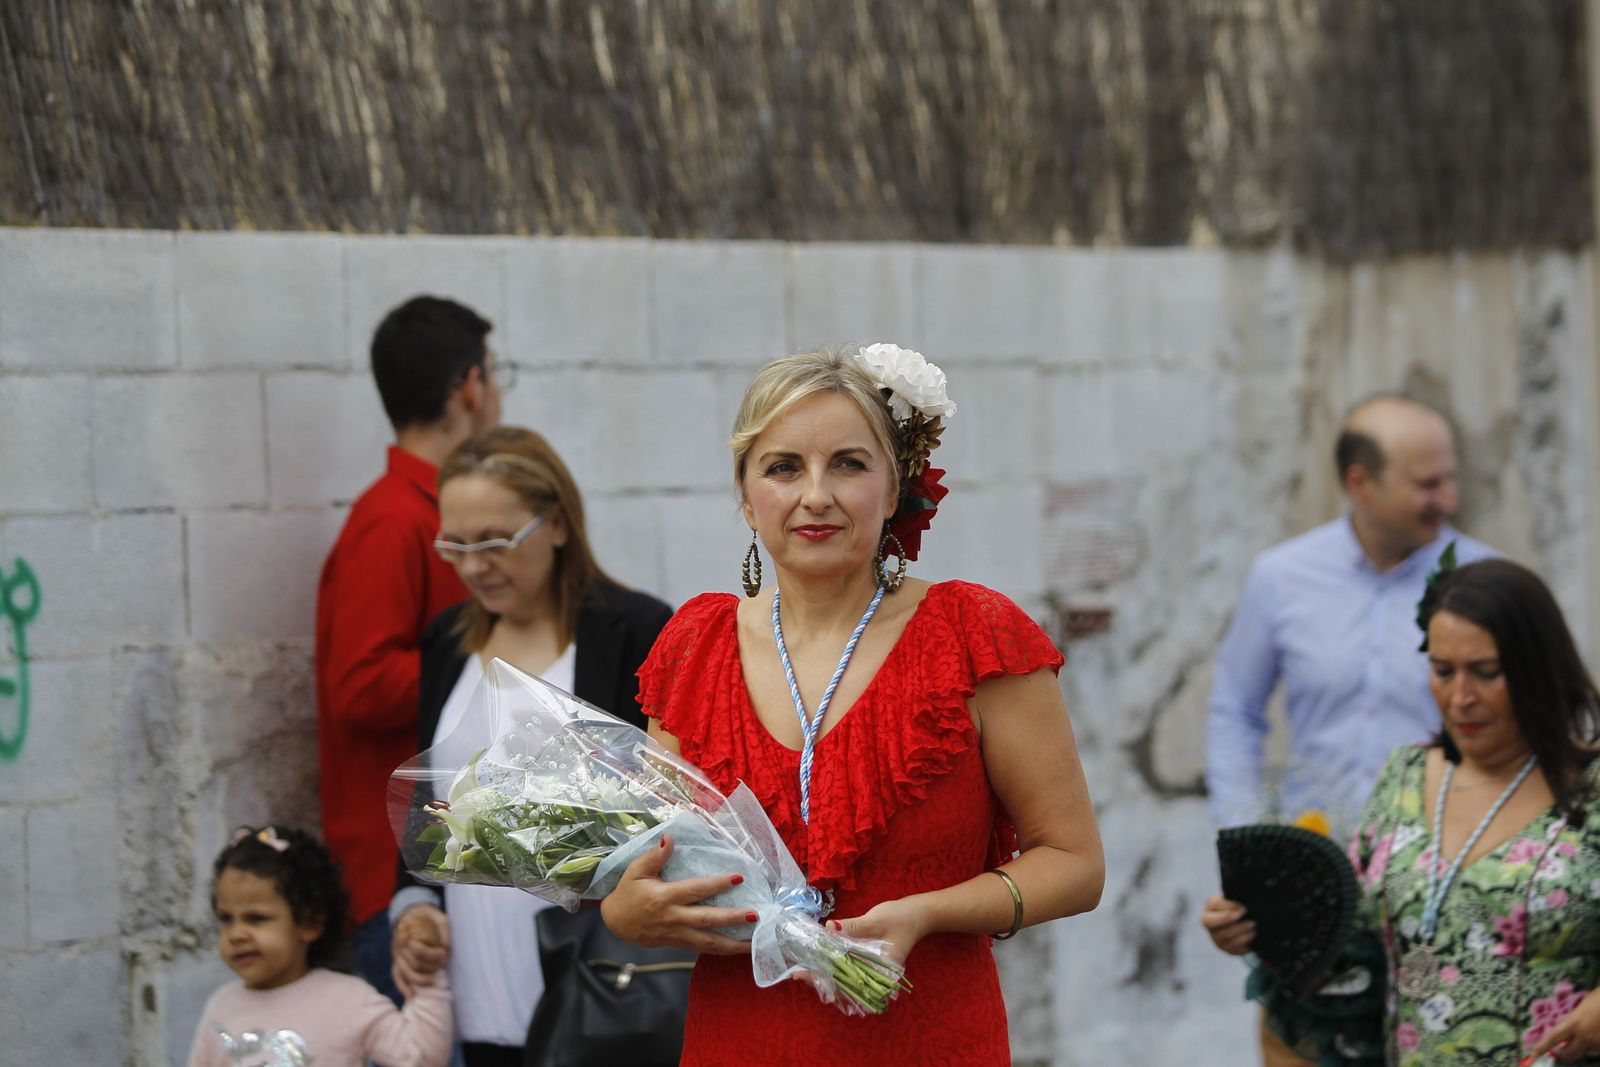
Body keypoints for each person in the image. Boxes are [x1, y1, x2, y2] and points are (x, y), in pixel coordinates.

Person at [598, 345, 1105, 1066]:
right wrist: (628, 911)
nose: (816, 494)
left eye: (848, 463)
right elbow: (644, 862)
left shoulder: (973, 635)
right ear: (745, 496)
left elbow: (1075, 862)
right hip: (739, 1041)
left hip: (930, 1039)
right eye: (783, 467)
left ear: (893, 487)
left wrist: (929, 910)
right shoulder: (693, 646)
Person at [1204, 558, 1600, 1065]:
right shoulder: (1404, 779)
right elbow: (1354, 953)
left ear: (1539, 667)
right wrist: (1259, 927)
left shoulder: (1589, 792)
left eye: (1485, 672)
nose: (1460, 698)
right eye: (1441, 671)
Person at [388, 425, 674, 1067]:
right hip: (477, 981)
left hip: (599, 982)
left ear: (558, 525)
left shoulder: (637, 632)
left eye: (493, 541)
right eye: (454, 545)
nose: (473, 566)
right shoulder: (446, 641)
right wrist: (416, 907)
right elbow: (428, 804)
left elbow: (676, 810)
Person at [316, 295, 507, 1004]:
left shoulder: (431, 511)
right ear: (469, 387)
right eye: (497, 372)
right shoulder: (392, 521)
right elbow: (360, 688)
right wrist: (498, 666)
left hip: (454, 866)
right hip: (395, 880)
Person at [1205, 394, 1496, 838]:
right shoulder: (1280, 577)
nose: (1449, 500)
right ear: (1360, 484)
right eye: (1427, 484)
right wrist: (1244, 837)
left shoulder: (1488, 580)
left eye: (1450, 479)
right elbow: (1235, 712)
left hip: (1446, 863)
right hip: (1316, 863)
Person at [186, 825, 452, 1067]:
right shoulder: (221, 1006)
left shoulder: (350, 1000)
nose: (236, 934)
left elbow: (420, 1059)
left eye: (256, 918)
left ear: (309, 922)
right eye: (226, 919)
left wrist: (425, 980)